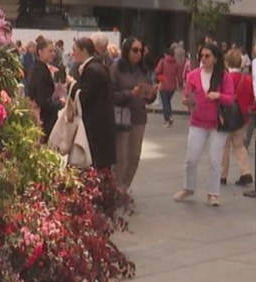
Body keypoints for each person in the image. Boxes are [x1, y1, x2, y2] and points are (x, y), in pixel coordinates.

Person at [176, 43, 235, 207]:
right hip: (197, 121)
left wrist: (218, 95)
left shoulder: (224, 76)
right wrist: (186, 101)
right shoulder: (193, 75)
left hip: (217, 123)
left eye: (207, 56)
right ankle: (188, 187)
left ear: (216, 58)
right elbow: (187, 94)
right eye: (201, 55)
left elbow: (230, 98)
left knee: (215, 160)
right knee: (191, 158)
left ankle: (213, 193)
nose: (203, 59)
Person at [111, 37, 155, 190]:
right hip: (122, 117)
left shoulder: (143, 70)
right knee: (120, 158)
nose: (138, 54)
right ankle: (114, 189)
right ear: (126, 50)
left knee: (134, 157)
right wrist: (130, 94)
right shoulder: (116, 68)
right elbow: (111, 94)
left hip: (138, 117)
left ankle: (123, 188)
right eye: (135, 50)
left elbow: (148, 94)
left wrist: (152, 93)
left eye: (141, 51)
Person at [68, 38, 116, 170]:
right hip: (102, 127)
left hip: (96, 129)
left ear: (84, 51)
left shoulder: (92, 70)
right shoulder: (97, 66)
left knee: (97, 167)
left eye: (75, 50)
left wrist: (71, 84)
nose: (72, 53)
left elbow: (84, 97)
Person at [221, 49, 254, 187]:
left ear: (227, 62)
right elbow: (252, 98)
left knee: (225, 146)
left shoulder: (225, 77)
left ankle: (222, 175)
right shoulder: (246, 79)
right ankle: (245, 172)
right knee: (239, 146)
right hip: (242, 117)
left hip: (227, 117)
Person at [26, 38, 61, 141]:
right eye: (50, 51)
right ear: (40, 52)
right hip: (44, 119)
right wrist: (60, 104)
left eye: (54, 51)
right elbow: (43, 101)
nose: (53, 54)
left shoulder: (40, 68)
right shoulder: (41, 72)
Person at [155, 46, 184, 127]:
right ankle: (169, 116)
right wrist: (181, 85)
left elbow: (157, 71)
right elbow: (179, 76)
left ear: (165, 54)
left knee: (165, 103)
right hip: (172, 86)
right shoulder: (177, 63)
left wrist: (161, 78)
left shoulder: (162, 61)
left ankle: (167, 119)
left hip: (163, 85)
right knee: (168, 102)